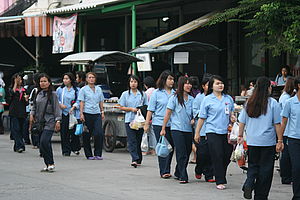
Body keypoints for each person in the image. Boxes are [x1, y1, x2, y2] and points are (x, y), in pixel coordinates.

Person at [237, 77, 283, 199]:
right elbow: (277, 124)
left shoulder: (249, 103)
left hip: (252, 141)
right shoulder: (273, 103)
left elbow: (241, 122)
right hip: (268, 142)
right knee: (266, 170)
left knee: (253, 166)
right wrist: (280, 140)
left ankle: (249, 183)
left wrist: (240, 136)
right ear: (268, 88)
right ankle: (261, 196)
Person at [194, 75, 234, 190]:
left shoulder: (228, 99)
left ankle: (220, 173)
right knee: (217, 155)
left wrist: (232, 118)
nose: (220, 85)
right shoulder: (207, 99)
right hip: (212, 131)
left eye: (222, 83)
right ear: (211, 86)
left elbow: (231, 113)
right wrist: (197, 133)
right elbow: (202, 118)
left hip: (226, 132)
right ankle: (220, 180)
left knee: (227, 155)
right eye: (217, 83)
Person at [160, 76, 194, 184]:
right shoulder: (174, 98)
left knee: (188, 151)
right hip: (176, 128)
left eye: (190, 84)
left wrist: (194, 119)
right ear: (181, 85)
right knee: (181, 152)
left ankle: (178, 171)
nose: (189, 86)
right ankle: (183, 175)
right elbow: (168, 113)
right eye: (186, 83)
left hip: (188, 129)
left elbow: (195, 113)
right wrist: (163, 128)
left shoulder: (192, 99)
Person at [144, 70, 175, 178]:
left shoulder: (175, 93)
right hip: (158, 123)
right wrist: (147, 124)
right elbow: (150, 109)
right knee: (163, 146)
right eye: (170, 79)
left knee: (171, 147)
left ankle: (168, 168)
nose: (172, 81)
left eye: (173, 79)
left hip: (173, 124)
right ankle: (164, 170)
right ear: (164, 80)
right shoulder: (156, 93)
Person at [29, 73, 61, 172]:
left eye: (45, 81)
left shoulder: (53, 94)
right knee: (42, 144)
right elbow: (34, 105)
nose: (43, 83)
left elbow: (56, 108)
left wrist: (58, 120)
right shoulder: (38, 93)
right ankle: (47, 164)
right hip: (39, 121)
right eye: (41, 81)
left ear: (49, 82)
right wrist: (32, 114)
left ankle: (51, 163)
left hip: (50, 121)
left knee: (44, 141)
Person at [118, 75, 148, 167]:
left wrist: (141, 110)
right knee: (132, 140)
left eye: (135, 82)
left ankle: (138, 158)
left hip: (140, 121)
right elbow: (121, 107)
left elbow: (147, 106)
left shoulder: (143, 94)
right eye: (131, 82)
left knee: (138, 140)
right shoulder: (125, 94)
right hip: (129, 120)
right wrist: (131, 109)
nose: (133, 84)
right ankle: (134, 158)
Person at [281, 76, 300, 200]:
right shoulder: (290, 102)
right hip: (294, 139)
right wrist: (279, 140)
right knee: (297, 167)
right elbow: (284, 122)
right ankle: (297, 195)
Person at [193, 75, 215, 182]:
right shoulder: (199, 97)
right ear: (203, 86)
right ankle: (199, 169)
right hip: (201, 129)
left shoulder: (215, 98)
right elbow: (195, 111)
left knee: (211, 153)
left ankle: (209, 174)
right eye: (207, 85)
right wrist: (203, 113)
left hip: (212, 129)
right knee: (202, 153)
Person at [78, 72, 105, 160]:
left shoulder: (99, 89)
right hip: (87, 113)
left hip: (96, 113)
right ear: (86, 79)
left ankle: (98, 153)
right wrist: (81, 113)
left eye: (93, 77)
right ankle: (88, 154)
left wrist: (102, 111)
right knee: (87, 134)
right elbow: (82, 102)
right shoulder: (83, 89)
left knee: (99, 133)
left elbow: (101, 101)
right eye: (89, 77)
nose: (91, 79)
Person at [56, 73, 81, 156]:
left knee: (74, 132)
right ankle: (66, 150)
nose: (65, 80)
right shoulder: (60, 89)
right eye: (64, 79)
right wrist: (60, 105)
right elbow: (56, 100)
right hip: (64, 113)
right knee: (64, 132)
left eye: (67, 79)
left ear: (71, 80)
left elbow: (79, 100)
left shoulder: (77, 90)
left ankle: (75, 147)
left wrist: (74, 107)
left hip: (73, 113)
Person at [278, 77, 295, 185]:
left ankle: (287, 175)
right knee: (286, 155)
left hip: (287, 129)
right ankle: (286, 176)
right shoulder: (287, 99)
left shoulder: (286, 97)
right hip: (287, 130)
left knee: (286, 154)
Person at [8, 73, 28, 153]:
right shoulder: (11, 89)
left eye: (20, 79)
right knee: (16, 129)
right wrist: (15, 84)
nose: (19, 81)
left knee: (21, 129)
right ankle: (20, 146)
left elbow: (25, 103)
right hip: (14, 112)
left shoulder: (24, 90)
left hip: (22, 112)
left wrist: (26, 100)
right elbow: (11, 96)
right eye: (17, 79)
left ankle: (17, 146)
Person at [143, 76, 156, 156]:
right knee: (152, 133)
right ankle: (153, 149)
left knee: (145, 133)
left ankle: (145, 149)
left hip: (148, 115)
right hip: (155, 116)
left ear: (145, 85)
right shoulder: (156, 91)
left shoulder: (146, 93)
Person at [28, 73, 40, 149]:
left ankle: (36, 143)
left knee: (35, 127)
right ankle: (37, 143)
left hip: (36, 112)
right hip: (36, 112)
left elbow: (30, 101)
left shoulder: (34, 89)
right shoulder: (35, 90)